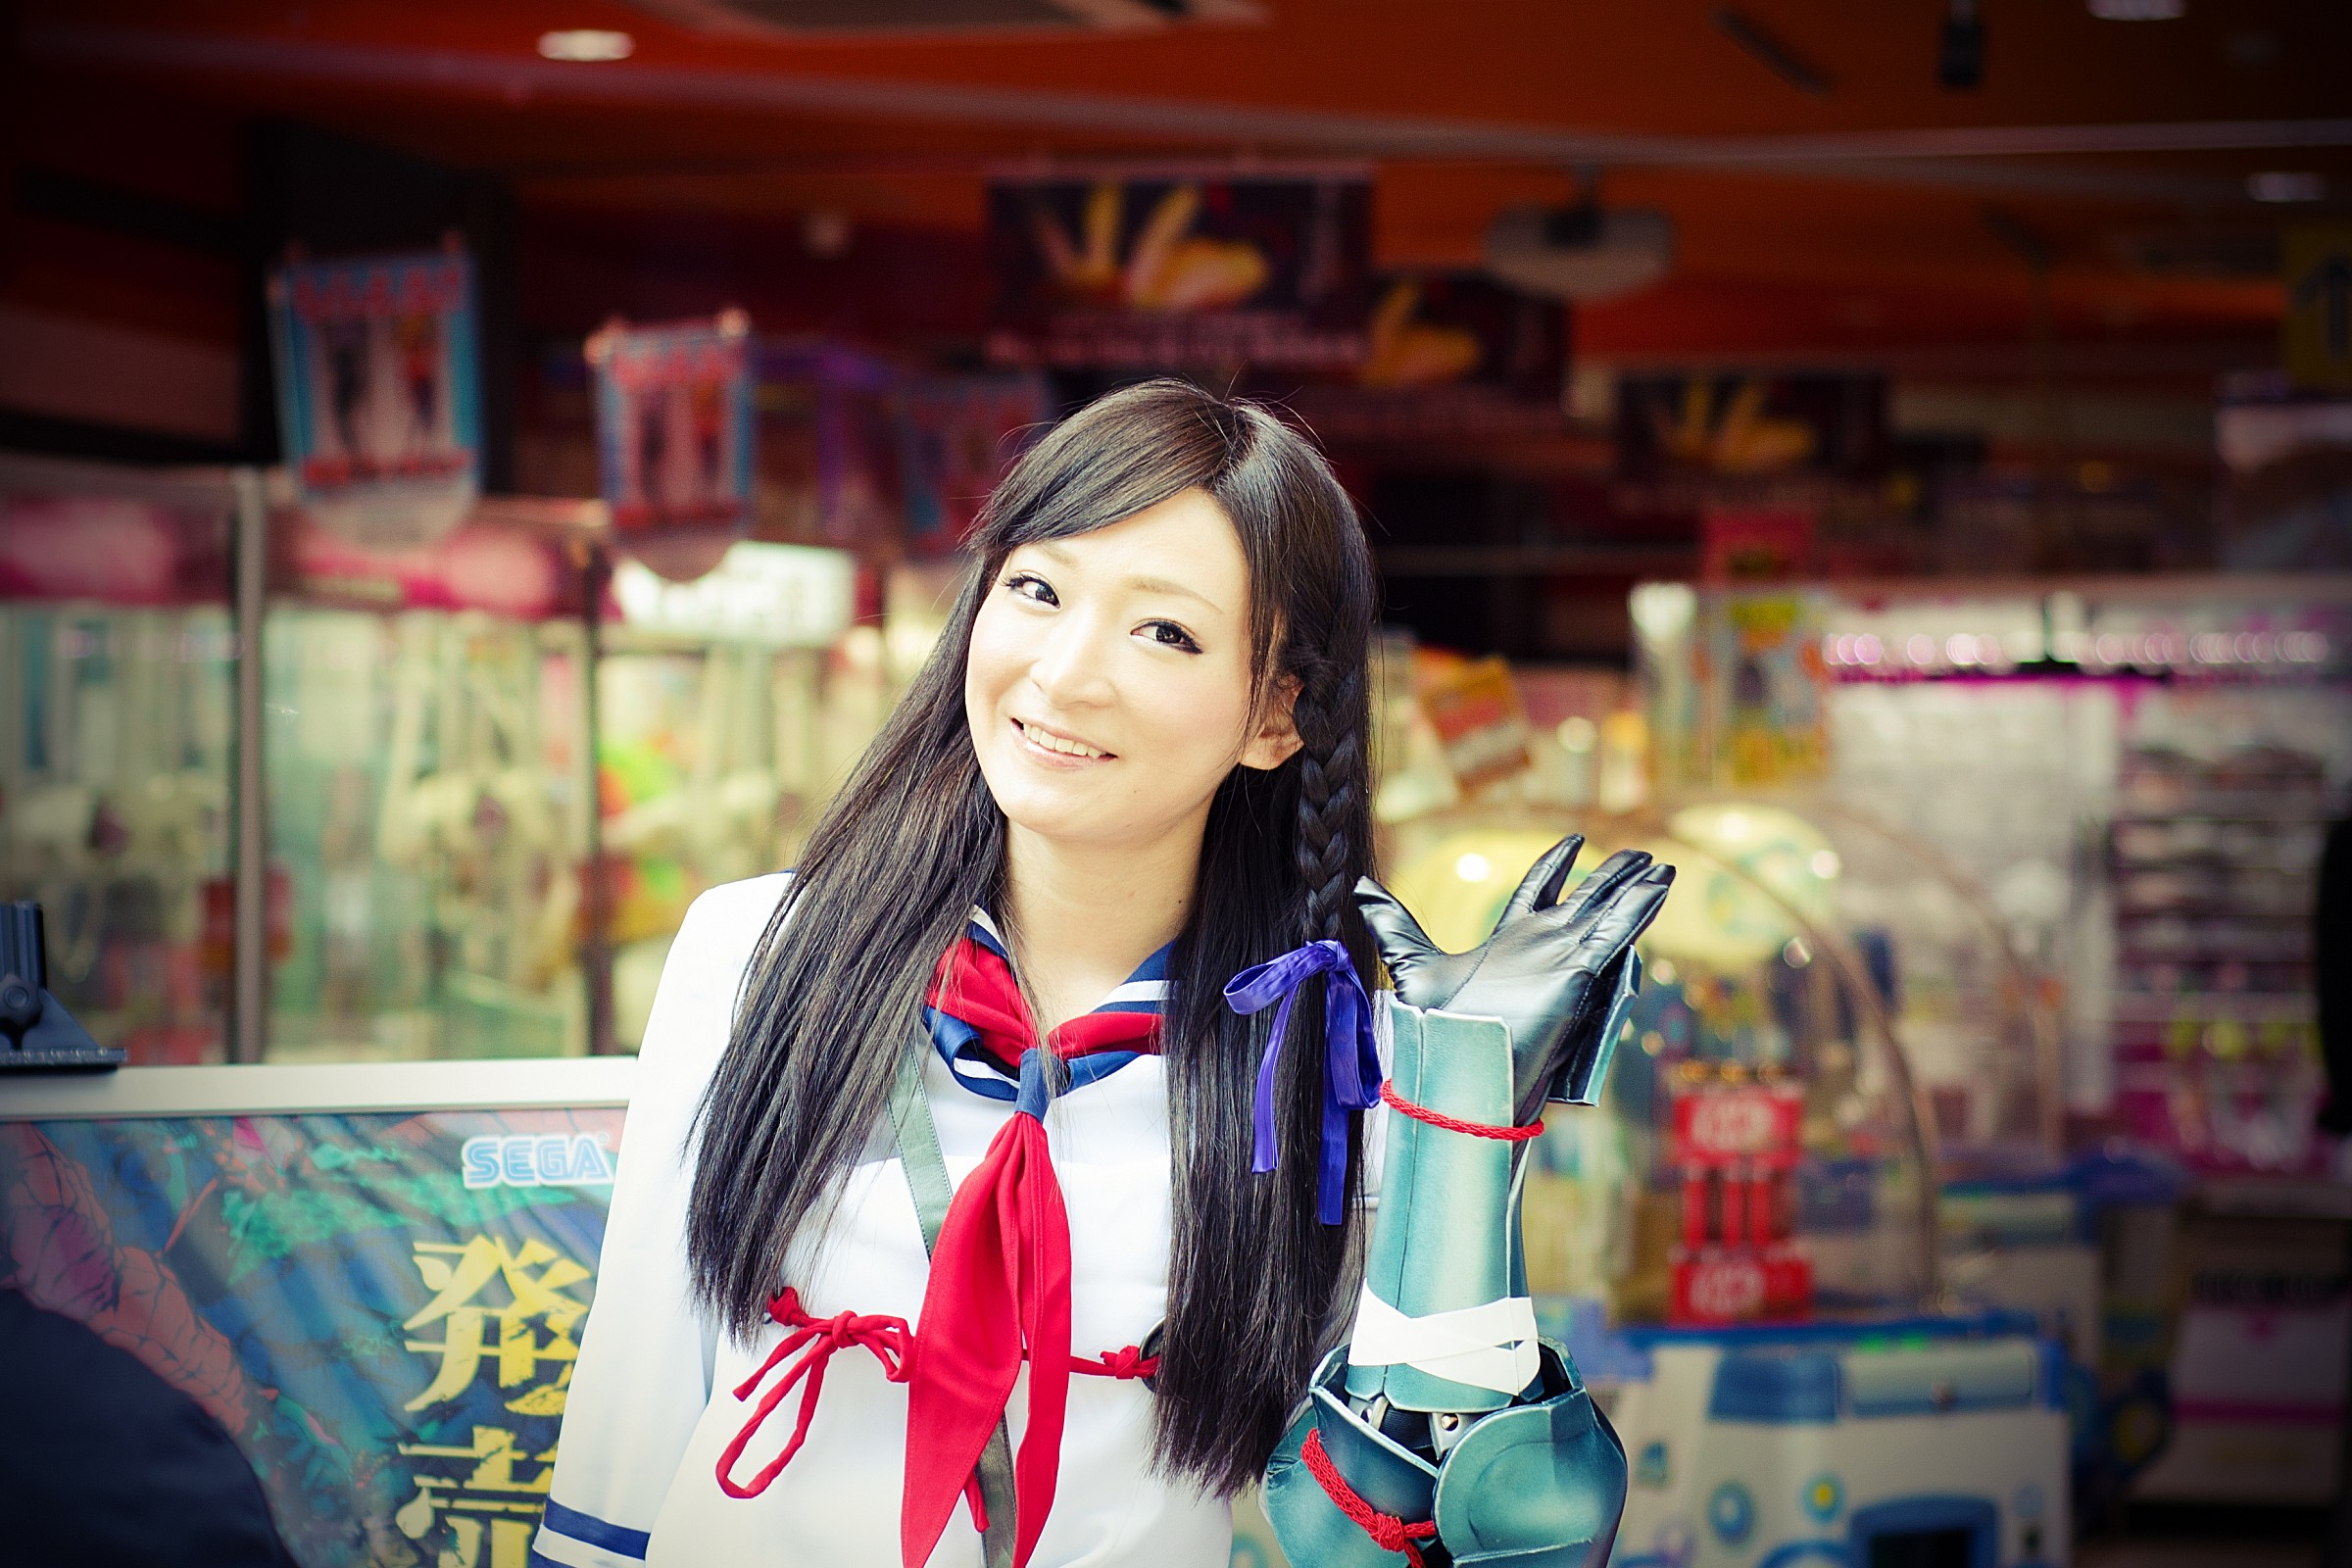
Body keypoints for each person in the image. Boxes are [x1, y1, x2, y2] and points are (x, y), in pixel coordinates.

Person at [534, 380, 1661, 1568]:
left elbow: (1405, 1530)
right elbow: (634, 1404)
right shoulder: (759, 956)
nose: (1067, 674)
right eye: (1038, 589)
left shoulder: (1322, 1060)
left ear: (1276, 713)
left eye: (1164, 630)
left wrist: (1459, 1117)